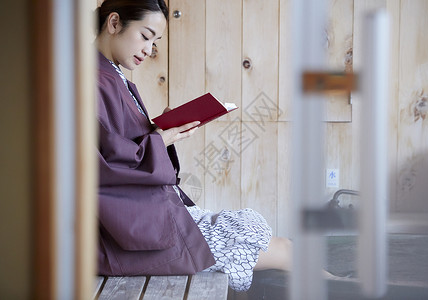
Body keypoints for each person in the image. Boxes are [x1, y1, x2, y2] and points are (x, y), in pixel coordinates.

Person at [95, 0, 291, 292]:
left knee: (284, 247)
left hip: (144, 211)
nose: (149, 50)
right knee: (284, 252)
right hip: (124, 230)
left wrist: (160, 130)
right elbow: (102, 165)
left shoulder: (112, 76)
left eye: (155, 41)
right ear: (114, 23)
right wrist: (160, 139)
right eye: (146, 36)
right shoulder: (91, 80)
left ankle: (344, 285)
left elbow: (120, 146)